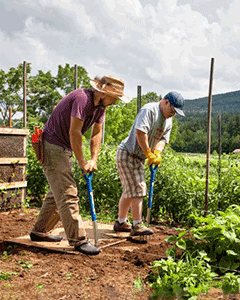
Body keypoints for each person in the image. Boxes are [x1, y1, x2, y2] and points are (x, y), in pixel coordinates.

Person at [30, 75, 129, 255]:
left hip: (63, 146)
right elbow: (75, 132)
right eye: (115, 97)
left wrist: (93, 160)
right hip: (52, 144)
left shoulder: (101, 107)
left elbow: (97, 133)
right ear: (104, 92)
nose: (116, 101)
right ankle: (78, 240)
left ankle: (39, 231)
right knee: (67, 191)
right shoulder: (82, 98)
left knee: (57, 192)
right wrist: (82, 162)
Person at [113, 91, 185, 237]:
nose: (173, 114)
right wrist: (148, 152)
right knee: (138, 189)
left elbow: (163, 139)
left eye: (176, 112)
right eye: (172, 110)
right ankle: (137, 225)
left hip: (139, 157)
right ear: (166, 102)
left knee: (130, 190)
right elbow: (141, 132)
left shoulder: (168, 121)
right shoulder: (149, 110)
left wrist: (157, 153)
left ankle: (120, 222)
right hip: (127, 153)